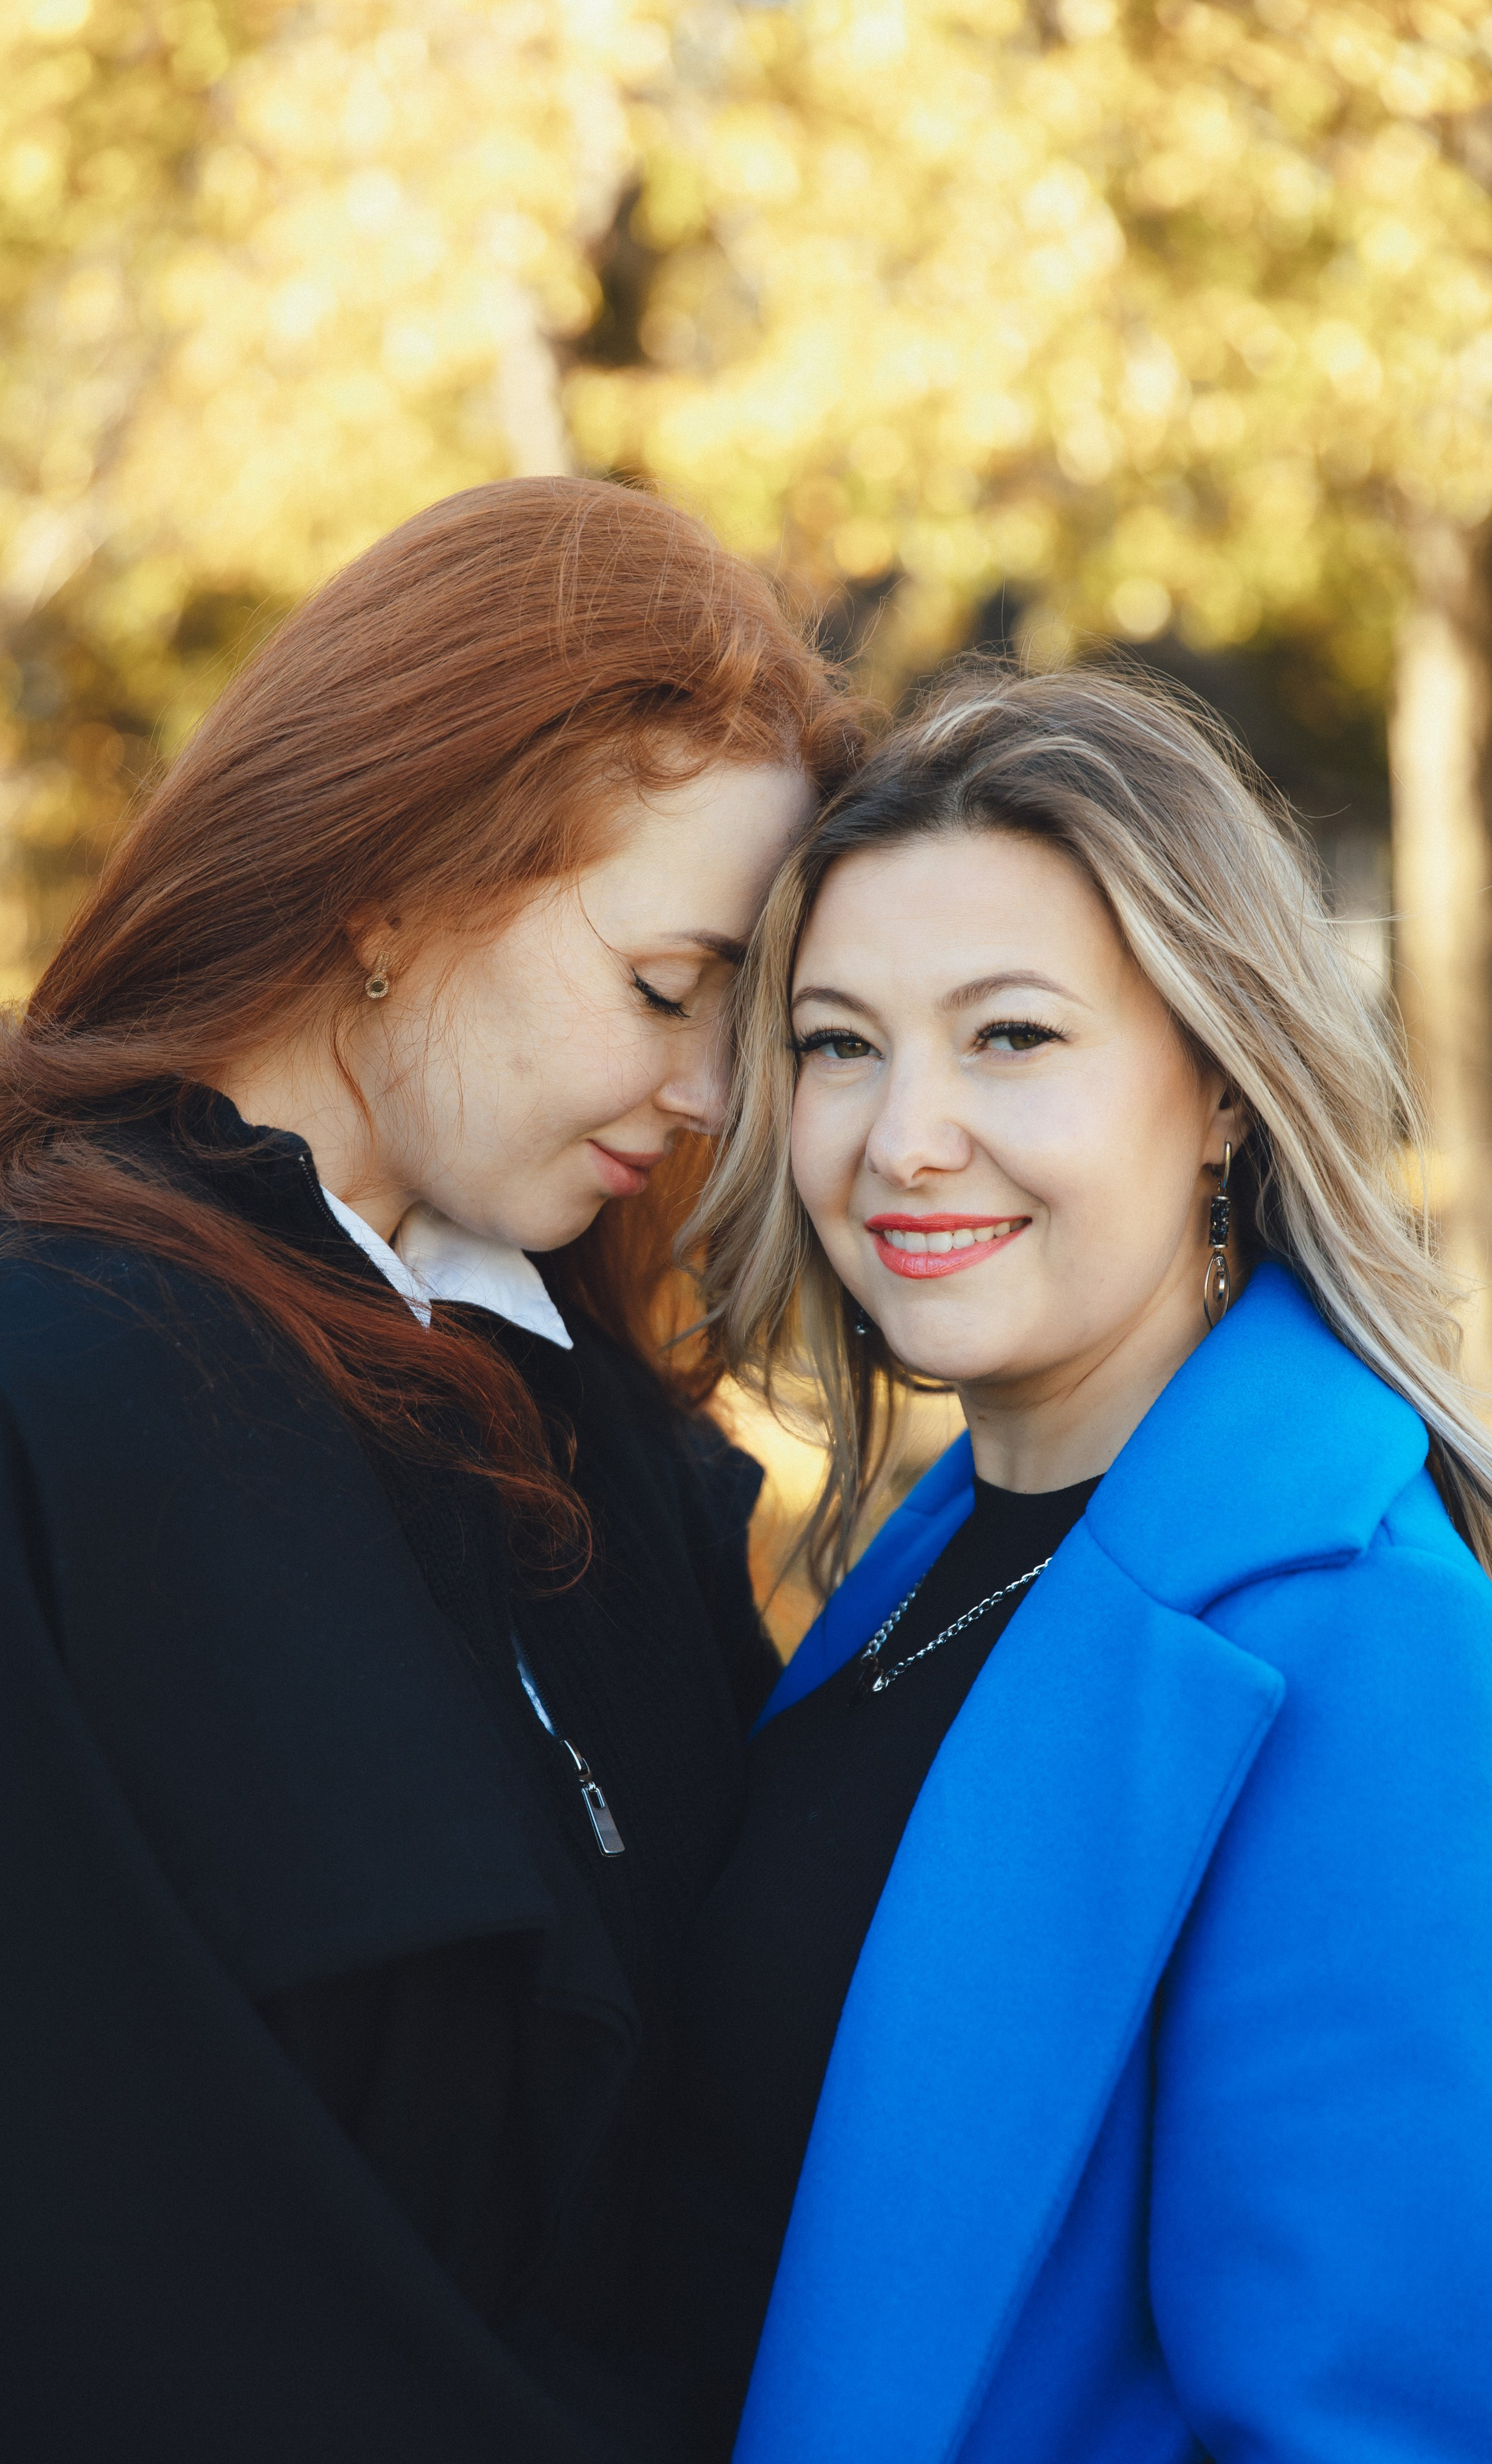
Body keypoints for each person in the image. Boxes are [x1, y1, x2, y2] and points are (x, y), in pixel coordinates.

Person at [0, 477, 860, 2462]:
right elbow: (16, 2264)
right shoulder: (11, 1416)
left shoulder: (605, 1432)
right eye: (669, 989)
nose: (710, 1093)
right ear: (393, 884)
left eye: (747, 1021)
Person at [632, 664, 1492, 2462]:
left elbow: (1364, 2426)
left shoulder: (1378, 1650)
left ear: (1225, 1089)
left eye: (1010, 1036)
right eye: (839, 1042)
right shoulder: (950, 1545)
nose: (902, 1137)